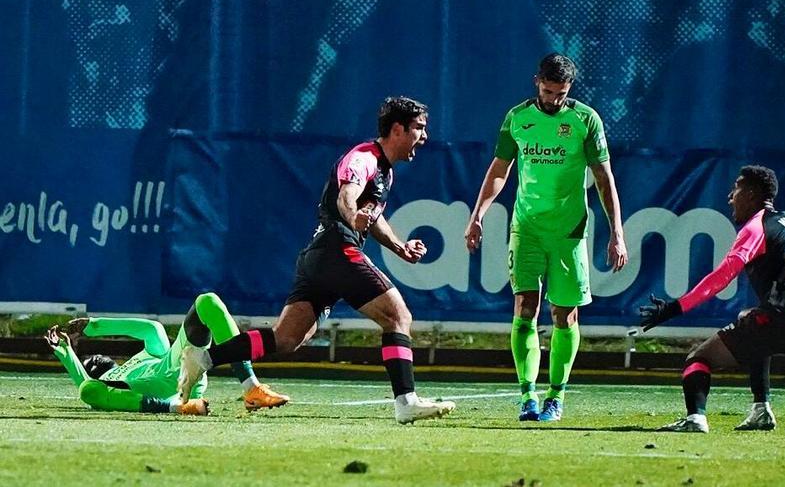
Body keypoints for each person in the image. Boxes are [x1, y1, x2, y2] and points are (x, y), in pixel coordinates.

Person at [177, 97, 455, 424]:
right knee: (398, 316)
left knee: (287, 338)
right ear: (397, 129)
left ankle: (203, 358)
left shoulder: (384, 171)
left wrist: (399, 247)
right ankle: (406, 402)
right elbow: (347, 196)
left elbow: (373, 215)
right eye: (419, 128)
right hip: (337, 251)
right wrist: (353, 217)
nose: (424, 137)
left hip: (319, 257)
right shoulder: (363, 157)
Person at [464, 53, 628, 422]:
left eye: (561, 93)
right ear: (537, 81)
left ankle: (557, 396)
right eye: (548, 90)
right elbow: (498, 171)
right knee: (525, 307)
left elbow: (604, 178)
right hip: (526, 228)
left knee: (564, 314)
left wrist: (617, 232)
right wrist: (477, 216)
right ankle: (528, 396)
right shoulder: (517, 118)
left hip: (568, 232)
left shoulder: (585, 119)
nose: (554, 99)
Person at [639, 165, 785, 433]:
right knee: (749, 319)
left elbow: (722, 277)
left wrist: (674, 308)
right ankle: (761, 409)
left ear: (751, 193)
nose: (731, 196)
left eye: (736, 188)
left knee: (699, 357)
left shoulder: (757, 226)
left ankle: (695, 419)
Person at [47, 292, 289, 415]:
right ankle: (177, 408)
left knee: (208, 301)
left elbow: (151, 328)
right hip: (169, 394)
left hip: (182, 367)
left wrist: (94, 325)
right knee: (88, 390)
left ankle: (251, 388)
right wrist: (68, 355)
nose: (95, 359)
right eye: (89, 361)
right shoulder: (107, 382)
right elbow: (87, 385)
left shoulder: (145, 356)